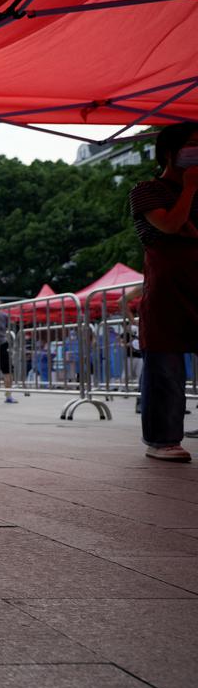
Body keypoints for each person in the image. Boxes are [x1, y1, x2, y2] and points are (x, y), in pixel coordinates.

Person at [129, 121, 198, 462]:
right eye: (193, 144)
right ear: (171, 152)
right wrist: (189, 189)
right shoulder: (145, 191)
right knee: (165, 365)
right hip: (167, 290)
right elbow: (170, 225)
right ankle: (163, 439)